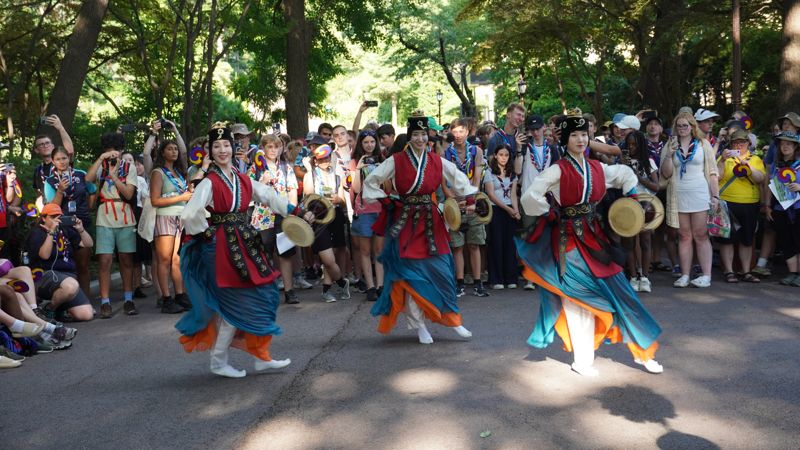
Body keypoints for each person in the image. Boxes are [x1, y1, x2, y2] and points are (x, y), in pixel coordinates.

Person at [514, 110, 663, 376]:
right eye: (575, 136)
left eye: (584, 134)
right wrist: (549, 212)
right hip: (568, 241)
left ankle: (643, 352)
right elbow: (530, 196)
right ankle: (582, 360)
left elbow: (625, 175)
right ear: (566, 140)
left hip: (596, 240)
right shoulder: (557, 170)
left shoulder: (597, 168)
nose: (581, 140)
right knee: (577, 299)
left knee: (623, 293)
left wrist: (632, 197)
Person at [177, 124, 313, 378]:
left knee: (267, 292)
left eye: (226, 145)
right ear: (210, 150)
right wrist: (208, 234)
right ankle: (219, 362)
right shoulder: (209, 182)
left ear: (233, 147)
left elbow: (269, 196)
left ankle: (260, 355)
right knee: (233, 306)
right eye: (216, 146)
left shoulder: (242, 179)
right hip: (220, 249)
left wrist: (298, 211)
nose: (222, 150)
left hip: (244, 244)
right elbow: (190, 214)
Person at [363, 112, 475, 344]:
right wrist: (386, 199)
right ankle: (420, 325)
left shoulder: (436, 160)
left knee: (443, 271)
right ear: (409, 136)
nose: (421, 139)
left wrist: (471, 198)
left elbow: (459, 178)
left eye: (424, 134)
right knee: (412, 276)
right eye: (416, 134)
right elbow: (370, 181)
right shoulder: (396, 161)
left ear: (429, 136)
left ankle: (453, 320)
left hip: (432, 220)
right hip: (407, 221)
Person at [660, 111, 719, 288]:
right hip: (679, 194)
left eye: (685, 125)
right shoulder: (670, 145)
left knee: (701, 234)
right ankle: (685, 275)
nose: (682, 129)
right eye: (679, 126)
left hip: (700, 193)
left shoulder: (703, 144)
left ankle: (706, 275)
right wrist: (670, 154)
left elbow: (712, 172)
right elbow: (666, 173)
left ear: (692, 127)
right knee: (684, 235)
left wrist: (715, 196)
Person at [85, 132, 139, 317]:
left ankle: (128, 299)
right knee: (105, 260)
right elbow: (87, 179)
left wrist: (115, 177)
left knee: (126, 259)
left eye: (115, 150)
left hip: (125, 216)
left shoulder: (129, 167)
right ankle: (105, 302)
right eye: (108, 151)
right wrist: (101, 159)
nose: (112, 154)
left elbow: (130, 194)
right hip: (104, 216)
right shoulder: (100, 166)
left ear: (121, 150)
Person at [248, 134, 301, 304]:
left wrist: (291, 211)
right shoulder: (255, 169)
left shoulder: (286, 168)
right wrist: (262, 181)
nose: (273, 150)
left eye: (276, 147)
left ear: (281, 149)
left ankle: (289, 290)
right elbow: (250, 194)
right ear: (262, 148)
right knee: (265, 254)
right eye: (269, 147)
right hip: (263, 216)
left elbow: (292, 191)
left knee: (285, 253)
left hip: (283, 215)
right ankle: (267, 291)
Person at [26, 203, 94, 323]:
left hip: (68, 277)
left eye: (59, 216)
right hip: (45, 275)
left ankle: (58, 308)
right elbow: (44, 255)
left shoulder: (66, 230)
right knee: (71, 285)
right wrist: (51, 233)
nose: (57, 220)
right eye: (53, 217)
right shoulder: (37, 232)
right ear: (43, 218)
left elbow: (88, 244)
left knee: (86, 314)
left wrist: (81, 230)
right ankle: (49, 308)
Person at [43, 147, 95, 297]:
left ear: (69, 158)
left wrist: (89, 207)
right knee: (65, 265)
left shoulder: (81, 174)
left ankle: (85, 300)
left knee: (83, 264)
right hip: (62, 226)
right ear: (53, 161)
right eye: (58, 159)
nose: (62, 162)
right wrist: (60, 191)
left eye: (64, 158)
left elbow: (92, 190)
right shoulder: (50, 181)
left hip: (81, 224)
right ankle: (69, 301)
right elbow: (53, 207)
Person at [302, 145, 351, 302]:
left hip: (335, 216)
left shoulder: (338, 176)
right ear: (315, 160)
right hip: (318, 218)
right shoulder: (311, 175)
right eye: (320, 159)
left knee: (334, 256)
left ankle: (327, 289)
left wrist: (339, 199)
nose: (324, 161)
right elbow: (308, 199)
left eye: (327, 158)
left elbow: (343, 202)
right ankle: (342, 283)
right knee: (328, 259)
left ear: (331, 158)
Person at [716, 129, 766, 283]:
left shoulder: (755, 159)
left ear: (748, 144)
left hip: (749, 203)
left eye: (742, 142)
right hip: (727, 202)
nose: (739, 145)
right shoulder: (725, 158)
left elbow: (760, 178)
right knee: (727, 238)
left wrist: (748, 166)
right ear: (731, 144)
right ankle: (729, 271)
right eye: (735, 142)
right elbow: (717, 176)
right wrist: (723, 161)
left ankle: (746, 271)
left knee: (747, 238)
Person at [150, 140, 193, 312]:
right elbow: (155, 200)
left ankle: (180, 295)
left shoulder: (178, 172)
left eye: (176, 148)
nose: (174, 151)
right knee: (164, 259)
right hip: (165, 217)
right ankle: (166, 299)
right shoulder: (158, 173)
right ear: (162, 153)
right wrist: (181, 198)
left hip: (180, 217)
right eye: (170, 149)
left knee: (177, 259)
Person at [619, 131, 659, 292]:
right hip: (627, 205)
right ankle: (633, 276)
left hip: (645, 205)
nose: (631, 147)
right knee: (629, 242)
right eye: (629, 144)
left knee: (645, 241)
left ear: (641, 144)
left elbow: (657, 186)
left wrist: (639, 177)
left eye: (634, 144)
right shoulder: (622, 162)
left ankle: (645, 277)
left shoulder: (648, 162)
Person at [349, 130, 385, 301]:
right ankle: (370, 286)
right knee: (365, 250)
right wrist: (358, 169)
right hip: (363, 210)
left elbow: (388, 186)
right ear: (360, 144)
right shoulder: (354, 162)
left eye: (372, 142)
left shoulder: (383, 160)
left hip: (380, 208)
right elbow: (355, 189)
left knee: (378, 250)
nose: (369, 145)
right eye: (365, 142)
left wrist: (381, 170)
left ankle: (381, 285)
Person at [765, 132, 800, 286]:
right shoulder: (775, 165)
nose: (785, 146)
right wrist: (767, 205)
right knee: (786, 241)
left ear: (795, 147)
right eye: (782, 143)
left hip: (798, 209)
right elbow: (769, 187)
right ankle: (792, 273)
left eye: (789, 144)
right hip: (780, 208)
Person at [484, 144, 520, 289]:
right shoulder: (489, 172)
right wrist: (507, 209)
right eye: (501, 155)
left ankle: (511, 278)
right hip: (496, 210)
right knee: (496, 243)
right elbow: (491, 195)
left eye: (506, 155)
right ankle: (496, 279)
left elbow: (513, 195)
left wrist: (515, 211)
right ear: (495, 156)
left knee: (510, 244)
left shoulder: (513, 174)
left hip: (510, 209)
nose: (503, 158)